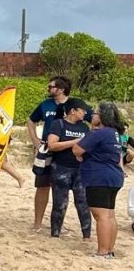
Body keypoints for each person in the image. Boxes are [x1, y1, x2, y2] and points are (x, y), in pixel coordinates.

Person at [74, 102, 126, 258]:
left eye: (95, 113)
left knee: (100, 215)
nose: (92, 115)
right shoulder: (115, 133)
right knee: (109, 214)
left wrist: (81, 154)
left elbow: (77, 149)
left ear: (102, 116)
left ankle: (102, 252)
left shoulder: (99, 132)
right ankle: (109, 250)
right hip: (114, 175)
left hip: (99, 176)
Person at [27, 76, 72, 232]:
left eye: (51, 86)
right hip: (47, 149)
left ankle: (59, 223)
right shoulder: (45, 104)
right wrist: (35, 140)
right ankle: (37, 222)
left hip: (66, 151)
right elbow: (31, 121)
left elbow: (91, 120)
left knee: (62, 189)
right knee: (42, 185)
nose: (48, 89)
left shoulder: (74, 105)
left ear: (61, 89)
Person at [46, 98, 91, 240]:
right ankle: (55, 234)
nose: (85, 113)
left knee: (83, 204)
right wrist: (75, 142)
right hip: (61, 168)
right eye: (82, 110)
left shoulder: (84, 127)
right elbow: (52, 145)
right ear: (73, 111)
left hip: (80, 170)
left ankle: (86, 236)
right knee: (60, 204)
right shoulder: (58, 124)